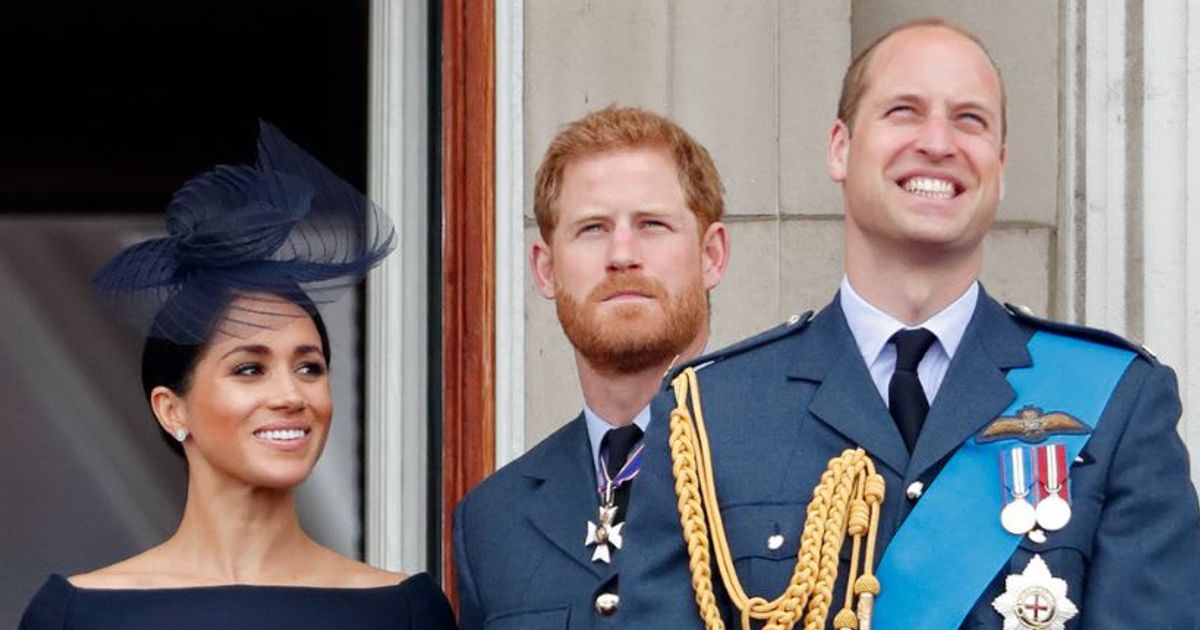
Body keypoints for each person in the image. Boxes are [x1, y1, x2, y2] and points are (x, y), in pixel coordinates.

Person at [620, 19, 1200, 629]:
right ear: (840, 147)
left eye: (970, 120)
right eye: (904, 111)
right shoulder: (711, 413)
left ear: (999, 166)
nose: (938, 142)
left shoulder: (1117, 404)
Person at [18, 122, 456, 630]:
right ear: (171, 408)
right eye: (250, 368)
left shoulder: (403, 610)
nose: (291, 394)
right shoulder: (76, 613)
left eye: (309, 367)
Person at [453, 106, 730, 628]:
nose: (622, 254)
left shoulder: (795, 470)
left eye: (652, 224)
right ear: (545, 268)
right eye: (593, 228)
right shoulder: (493, 520)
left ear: (712, 255)